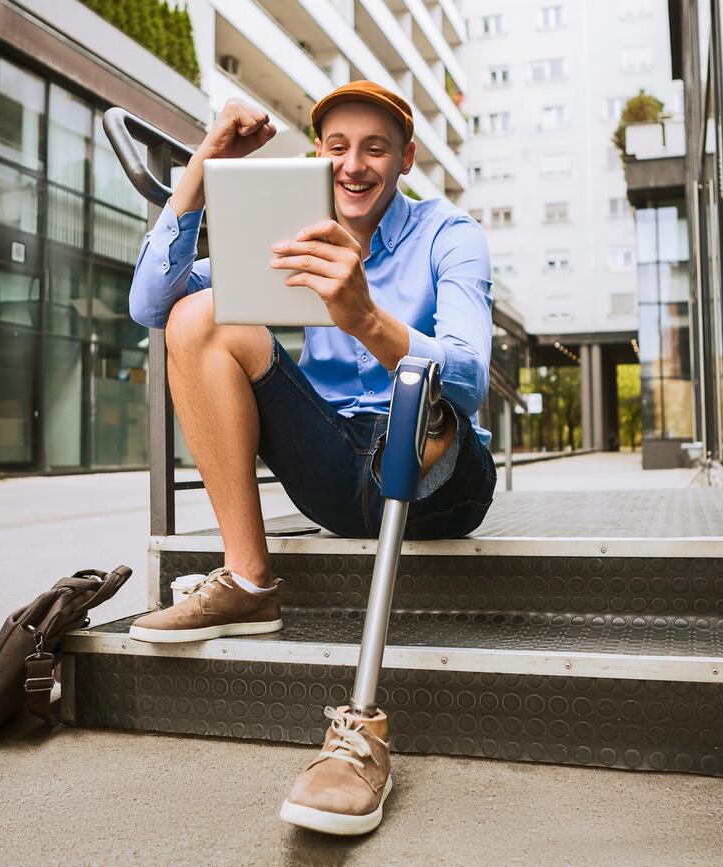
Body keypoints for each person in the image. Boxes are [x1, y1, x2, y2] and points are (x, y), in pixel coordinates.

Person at [126, 81, 495, 835]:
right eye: (338, 147)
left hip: (438, 464)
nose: (355, 165)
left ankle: (359, 729)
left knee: (421, 394)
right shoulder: (290, 231)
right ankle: (250, 579)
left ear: (405, 159)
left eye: (375, 148)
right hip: (334, 462)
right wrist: (203, 163)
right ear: (318, 156)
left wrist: (366, 319)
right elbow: (150, 305)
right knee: (199, 315)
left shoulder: (447, 233)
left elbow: (470, 377)